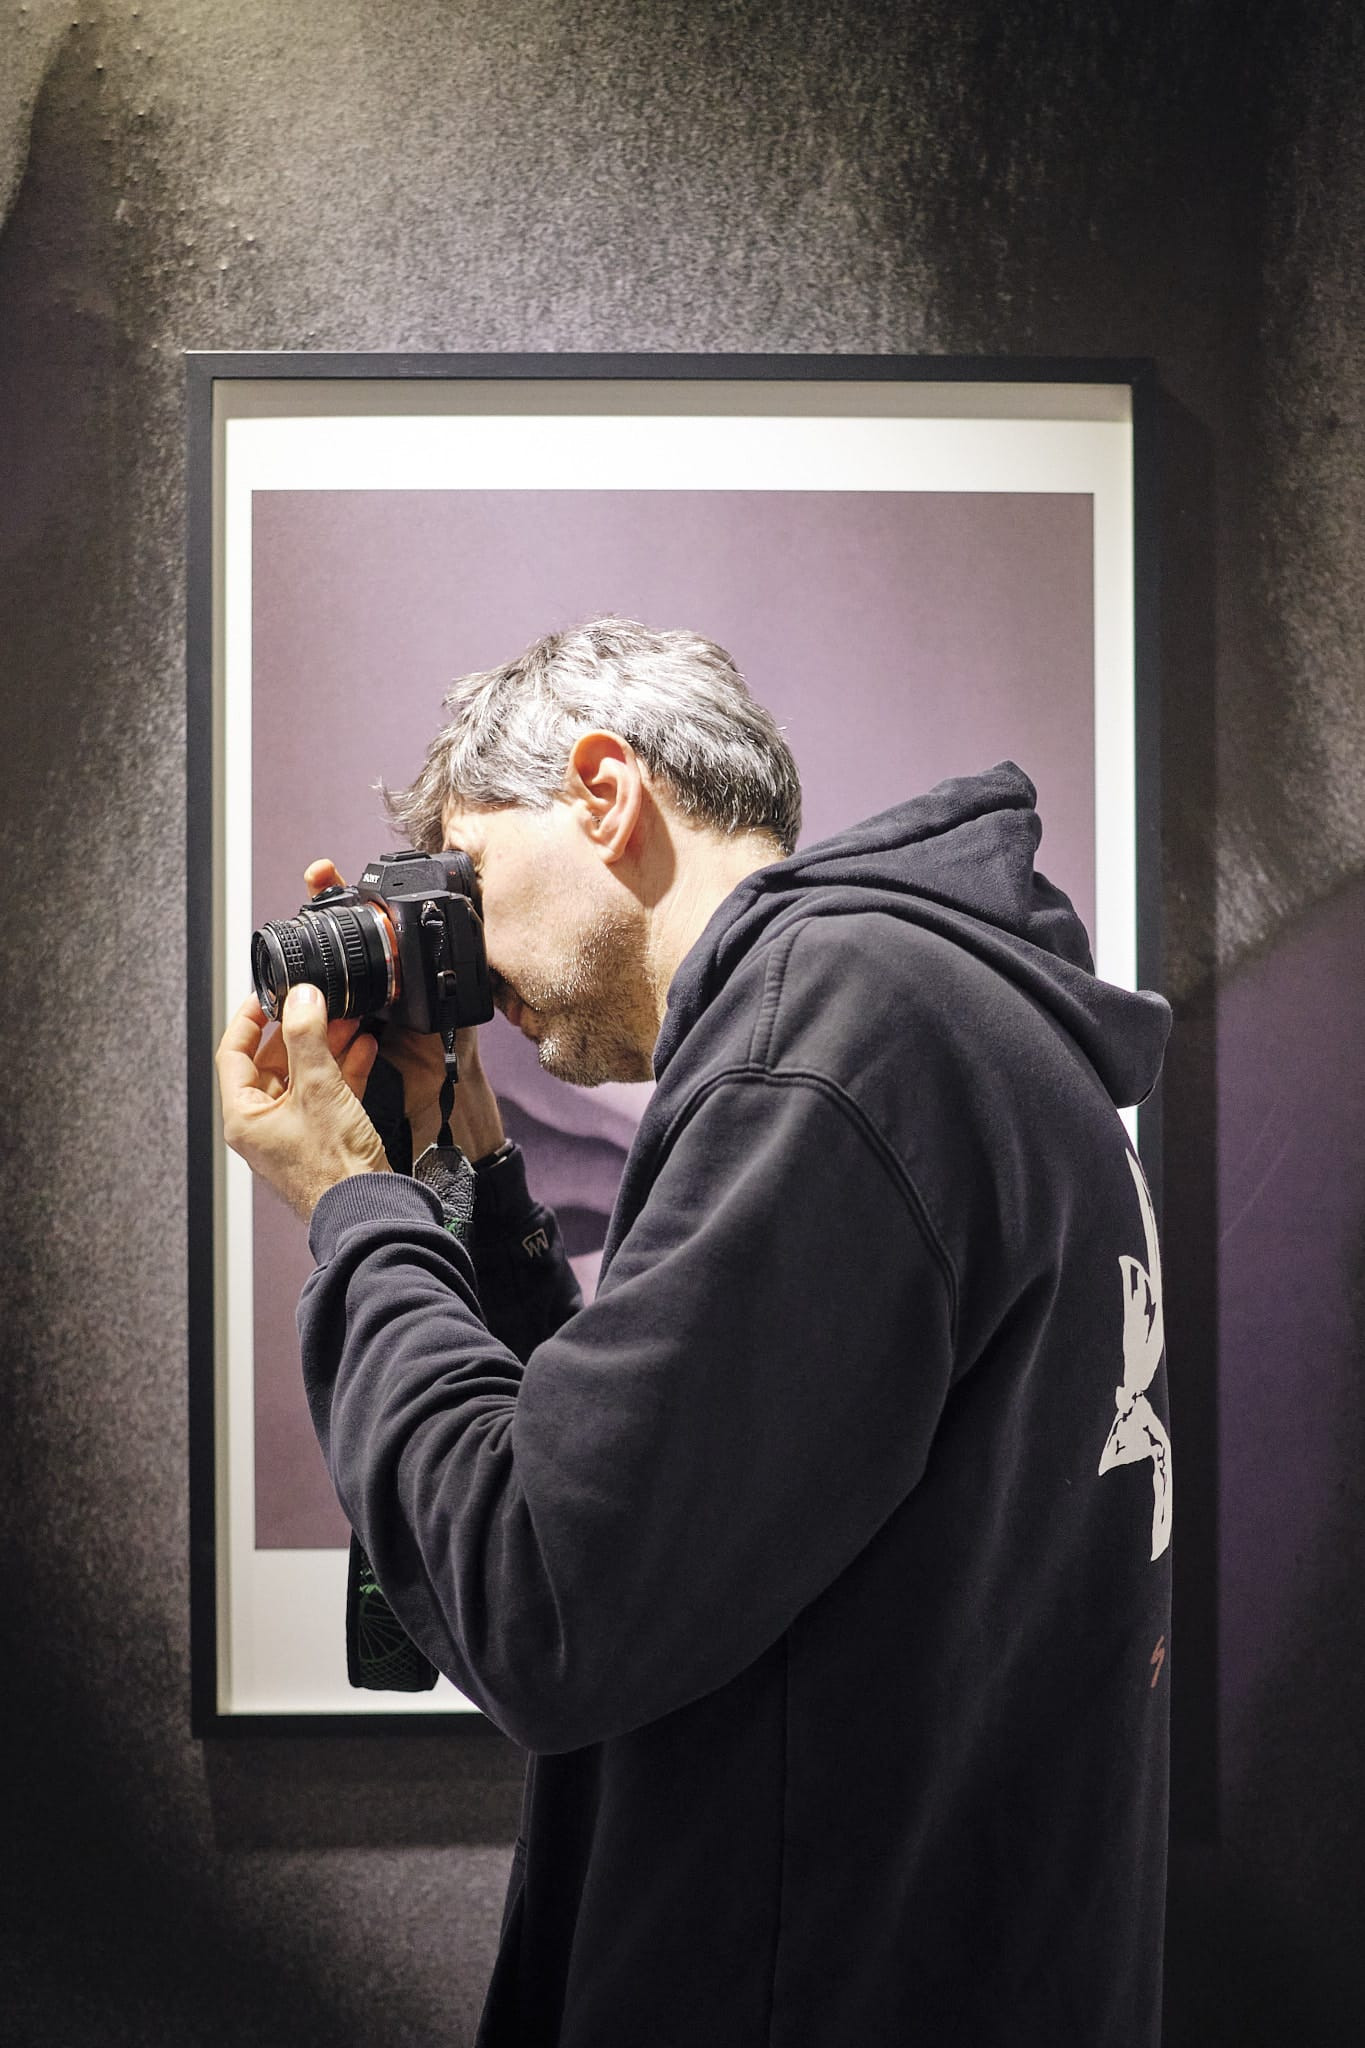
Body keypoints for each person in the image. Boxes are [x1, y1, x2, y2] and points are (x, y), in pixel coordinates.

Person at [216, 616, 1174, 2048]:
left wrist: (352, 1205)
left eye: (465, 875)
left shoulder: (823, 1039)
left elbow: (542, 1595)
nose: (463, 949)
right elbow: (665, 1495)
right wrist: (475, 1182)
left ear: (605, 791)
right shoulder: (949, 1022)